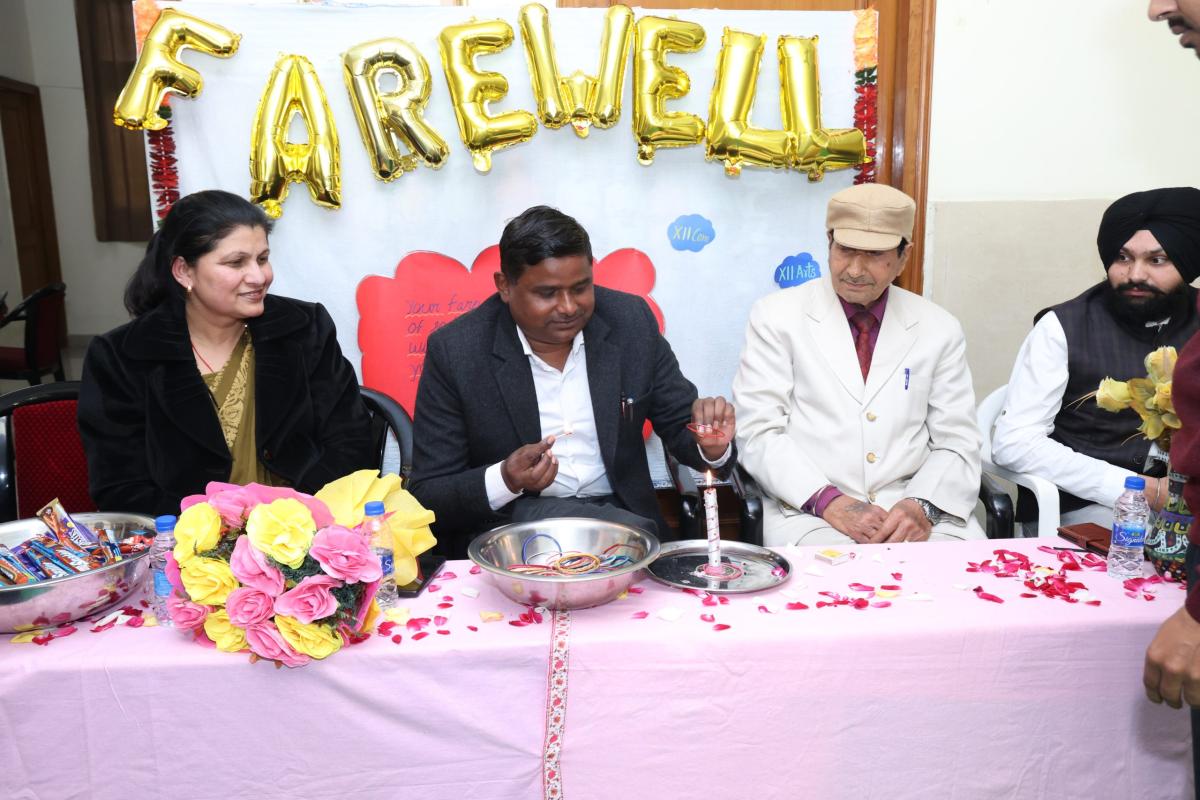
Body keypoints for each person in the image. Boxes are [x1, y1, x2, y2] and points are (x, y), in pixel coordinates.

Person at [407, 205, 736, 554]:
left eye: (580, 288)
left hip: (623, 521)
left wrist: (711, 446)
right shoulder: (457, 351)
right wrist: (505, 478)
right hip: (514, 533)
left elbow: (681, 424)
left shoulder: (630, 322)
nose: (568, 307)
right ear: (505, 286)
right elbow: (430, 493)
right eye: (547, 293)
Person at [78, 190, 375, 515]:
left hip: (306, 527)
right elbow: (121, 487)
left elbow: (351, 441)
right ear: (183, 271)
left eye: (262, 259)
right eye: (236, 263)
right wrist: (216, 528)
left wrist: (300, 516)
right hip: (186, 537)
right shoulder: (121, 356)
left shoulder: (304, 329)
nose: (259, 277)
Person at [732, 183, 983, 546]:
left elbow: (958, 439)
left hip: (914, 509)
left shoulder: (939, 328)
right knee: (835, 578)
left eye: (874, 255)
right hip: (811, 510)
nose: (854, 269)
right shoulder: (776, 317)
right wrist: (830, 502)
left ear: (904, 256)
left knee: (967, 575)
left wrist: (922, 505)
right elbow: (758, 432)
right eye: (845, 250)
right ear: (829, 243)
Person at [992, 188, 1200, 534]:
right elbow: (1015, 442)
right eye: (1122, 257)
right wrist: (1139, 489)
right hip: (1088, 508)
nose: (1135, 274)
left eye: (1157, 260)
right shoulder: (1063, 326)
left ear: (1187, 262)